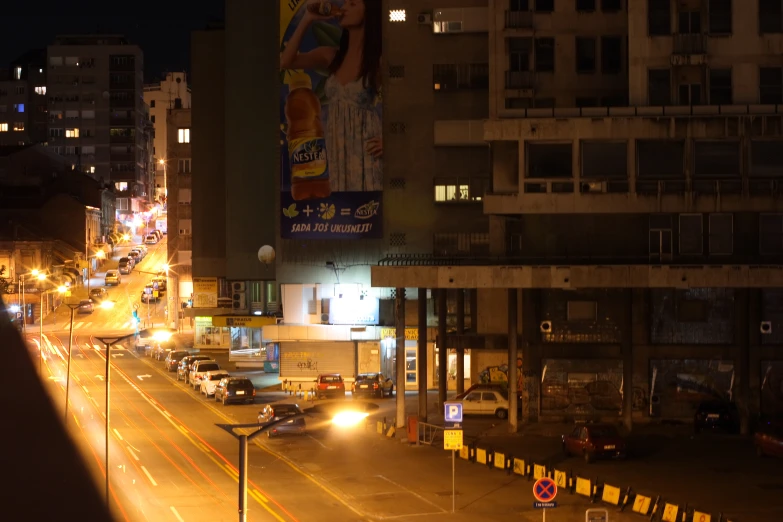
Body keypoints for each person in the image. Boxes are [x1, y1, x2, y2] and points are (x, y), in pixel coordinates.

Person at [281, 0, 383, 193]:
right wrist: (308, 18)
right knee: (339, 203)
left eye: (352, 4)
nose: (344, 7)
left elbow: (406, 96)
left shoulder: (377, 60)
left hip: (365, 147)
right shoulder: (331, 55)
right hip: (336, 144)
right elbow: (286, 61)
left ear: (369, 13)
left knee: (366, 207)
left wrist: (388, 140)